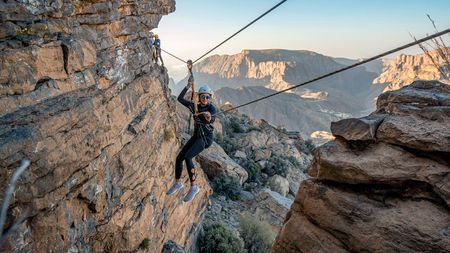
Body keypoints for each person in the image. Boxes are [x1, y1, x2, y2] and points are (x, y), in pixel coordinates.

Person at [166, 76, 217, 202]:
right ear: (199, 97)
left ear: (210, 98)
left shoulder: (211, 109)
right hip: (196, 136)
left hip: (205, 139)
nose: (205, 99)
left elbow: (212, 118)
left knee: (188, 157)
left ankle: (194, 187)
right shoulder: (194, 106)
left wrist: (207, 117)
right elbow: (180, 99)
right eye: (203, 96)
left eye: (207, 97)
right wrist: (188, 85)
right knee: (179, 158)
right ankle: (178, 183)